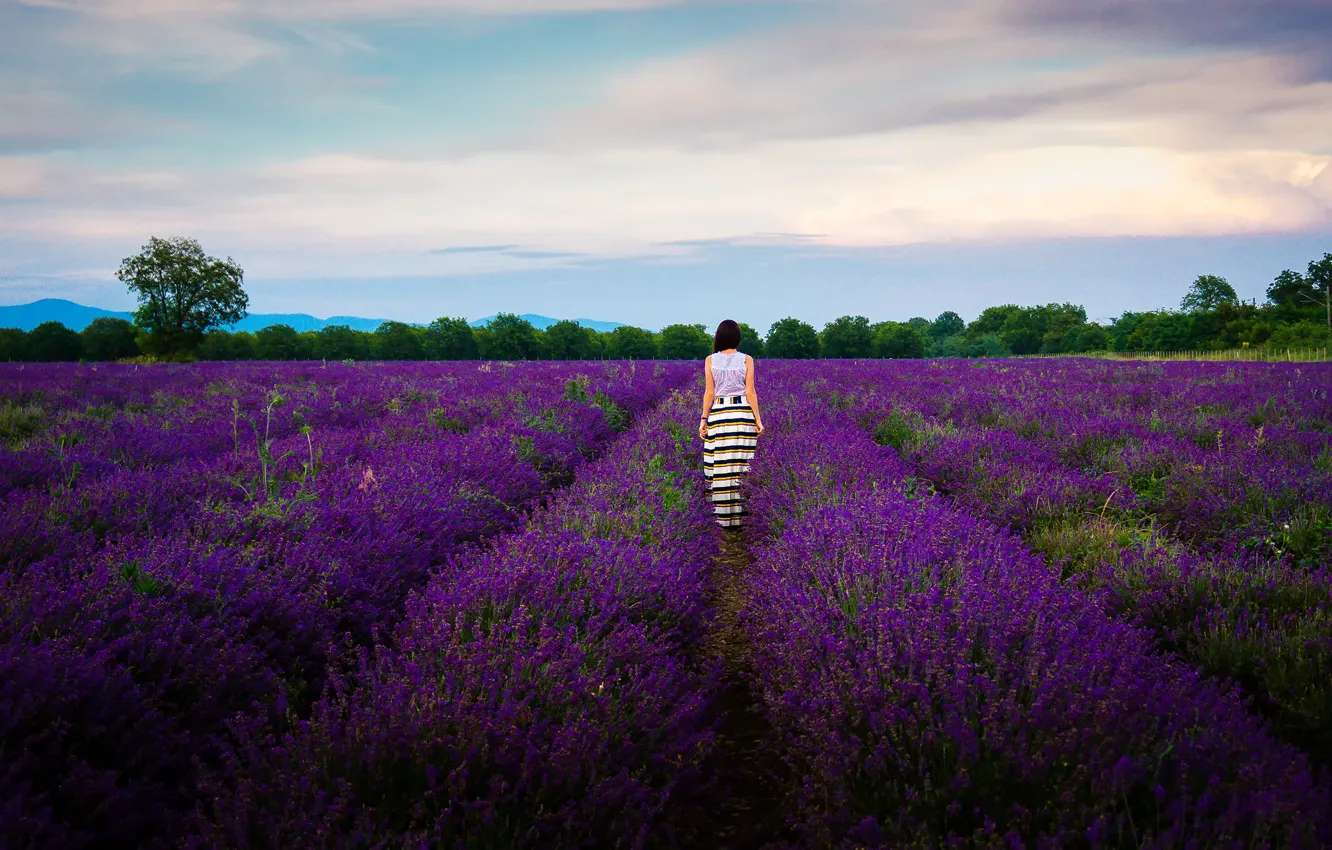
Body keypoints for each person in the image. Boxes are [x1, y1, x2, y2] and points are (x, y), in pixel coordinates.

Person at [699, 319, 764, 529]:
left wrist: (703, 419)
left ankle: (723, 516)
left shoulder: (710, 360)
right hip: (742, 414)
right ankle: (742, 516)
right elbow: (751, 392)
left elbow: (709, 392)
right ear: (737, 337)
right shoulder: (747, 359)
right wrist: (758, 419)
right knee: (741, 463)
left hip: (719, 413)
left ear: (719, 337)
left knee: (721, 464)